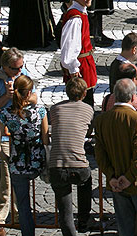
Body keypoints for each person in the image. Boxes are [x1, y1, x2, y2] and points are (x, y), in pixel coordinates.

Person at [94, 79, 137, 235]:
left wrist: (112, 177)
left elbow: (100, 154)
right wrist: (129, 178)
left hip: (117, 180)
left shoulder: (101, 120)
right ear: (133, 97)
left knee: (125, 227)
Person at [0, 75, 48, 236]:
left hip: (17, 162)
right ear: (29, 92)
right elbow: (45, 139)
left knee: (23, 206)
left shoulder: (5, 114)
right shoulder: (40, 111)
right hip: (37, 161)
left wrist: (7, 158)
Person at [0, 47, 35, 227]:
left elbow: (35, 98)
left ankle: (16, 213)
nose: (19, 71)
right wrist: (7, 96)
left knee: (20, 177)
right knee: (5, 180)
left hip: (22, 135)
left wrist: (20, 96)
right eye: (15, 68)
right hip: (5, 135)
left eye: (21, 66)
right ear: (5, 67)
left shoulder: (23, 75)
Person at [49, 76, 95, 236]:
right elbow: (88, 131)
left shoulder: (54, 109)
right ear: (84, 93)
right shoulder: (88, 110)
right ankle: (83, 220)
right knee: (85, 181)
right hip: (79, 164)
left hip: (57, 165)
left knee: (64, 211)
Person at [59, 0, 98, 109]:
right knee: (83, 100)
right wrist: (73, 67)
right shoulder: (75, 18)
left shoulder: (81, 12)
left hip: (86, 62)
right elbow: (70, 44)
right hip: (81, 66)